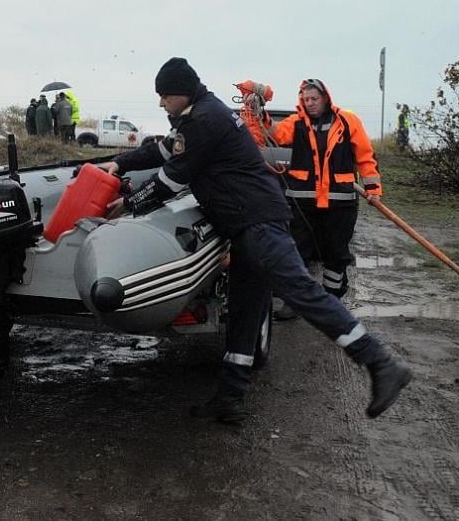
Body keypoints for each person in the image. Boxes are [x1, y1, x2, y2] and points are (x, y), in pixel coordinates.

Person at [101, 58, 411, 424]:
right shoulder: (200, 115)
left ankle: (380, 363)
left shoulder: (204, 120)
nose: (161, 104)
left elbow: (172, 177)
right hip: (246, 225)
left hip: (258, 221)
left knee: (301, 293)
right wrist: (121, 163)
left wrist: (129, 204)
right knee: (246, 308)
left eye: (164, 96)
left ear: (180, 92)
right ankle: (230, 396)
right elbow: (164, 150)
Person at [270, 79, 382, 305]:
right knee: (297, 252)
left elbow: (365, 156)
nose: (310, 103)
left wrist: (373, 188)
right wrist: (258, 115)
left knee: (336, 254)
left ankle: (331, 302)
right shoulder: (296, 123)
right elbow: (278, 134)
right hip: (303, 203)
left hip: (340, 203)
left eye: (314, 99)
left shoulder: (347, 121)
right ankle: (296, 303)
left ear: (325, 98)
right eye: (306, 99)